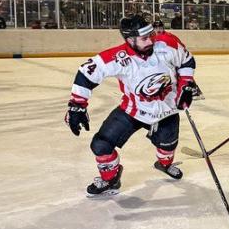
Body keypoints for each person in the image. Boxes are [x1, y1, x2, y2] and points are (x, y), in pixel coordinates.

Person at [64, 14, 201, 197]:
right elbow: (85, 74)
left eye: (151, 35)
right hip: (133, 110)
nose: (151, 40)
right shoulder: (118, 57)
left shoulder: (167, 44)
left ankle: (164, 164)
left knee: (167, 149)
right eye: (144, 38)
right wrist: (77, 105)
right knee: (101, 145)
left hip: (167, 110)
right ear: (130, 39)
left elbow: (186, 62)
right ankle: (111, 179)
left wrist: (185, 84)